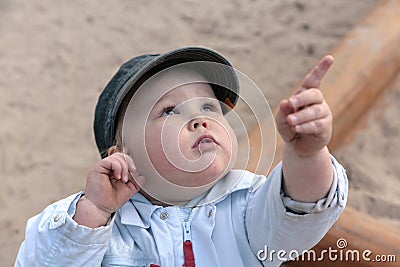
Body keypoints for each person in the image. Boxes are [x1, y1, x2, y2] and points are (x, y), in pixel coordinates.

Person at [15, 47, 347, 267]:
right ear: (123, 155)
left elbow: (301, 213)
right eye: (169, 110)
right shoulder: (101, 228)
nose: (200, 119)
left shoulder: (247, 207)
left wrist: (307, 154)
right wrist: (94, 211)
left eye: (208, 107)